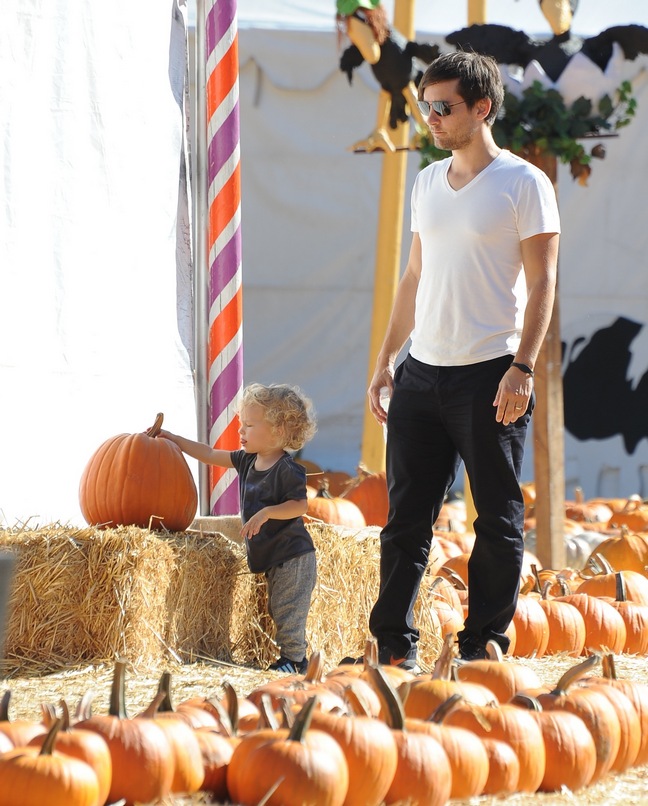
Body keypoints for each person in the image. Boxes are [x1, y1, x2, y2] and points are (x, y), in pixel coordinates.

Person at [361, 50, 560, 667]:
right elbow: (413, 277)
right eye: (426, 106)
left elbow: (544, 281)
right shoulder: (426, 181)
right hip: (422, 372)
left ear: (483, 108)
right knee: (405, 521)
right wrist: (387, 359)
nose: (431, 118)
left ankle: (482, 648)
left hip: (490, 373)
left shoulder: (525, 184)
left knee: (496, 520)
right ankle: (394, 648)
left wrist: (521, 368)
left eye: (443, 107)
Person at [157, 383, 318, 674]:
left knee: (288, 610)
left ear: (278, 432)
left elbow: (299, 505)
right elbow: (208, 453)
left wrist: (267, 513)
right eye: (241, 424)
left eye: (249, 425)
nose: (240, 432)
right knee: (277, 608)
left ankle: (295, 662)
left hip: (294, 557)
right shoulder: (246, 460)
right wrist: (174, 440)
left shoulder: (287, 469)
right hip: (275, 556)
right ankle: (291, 660)